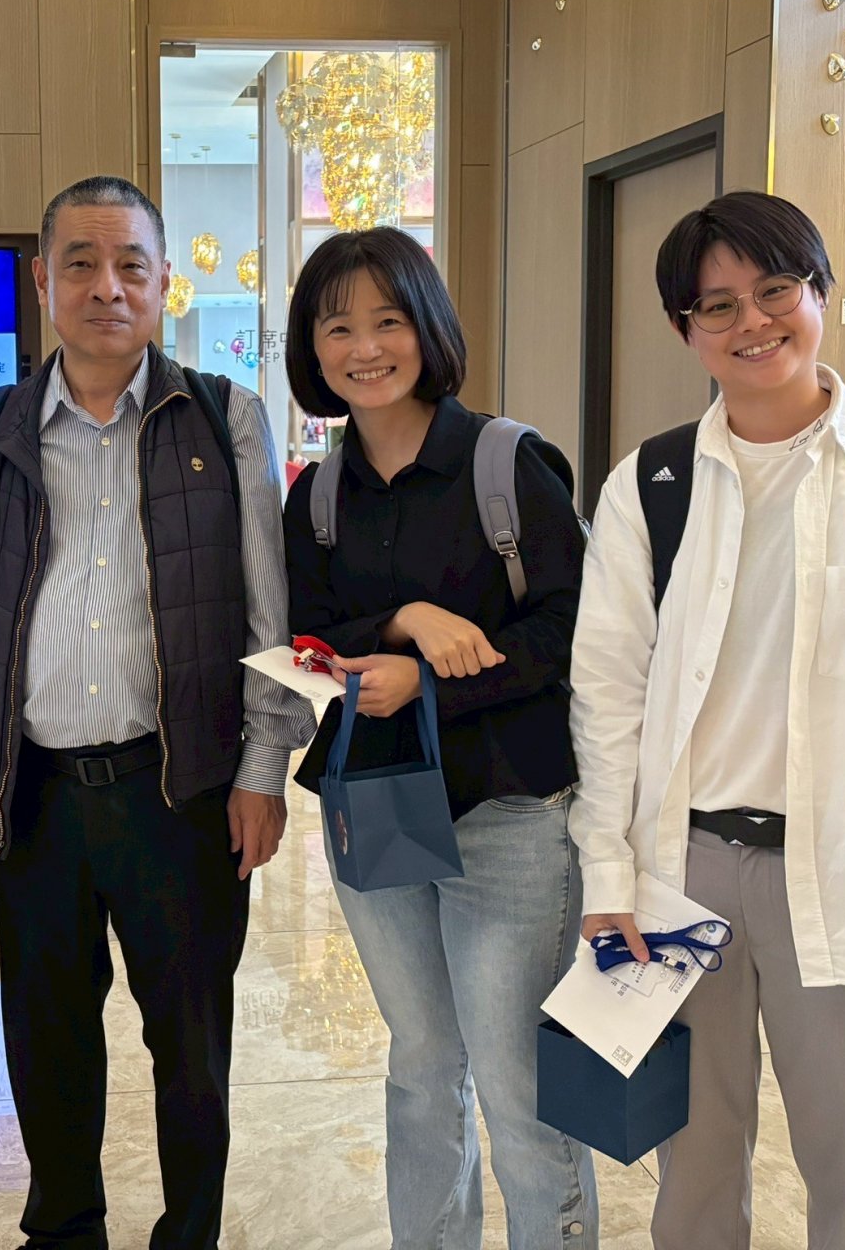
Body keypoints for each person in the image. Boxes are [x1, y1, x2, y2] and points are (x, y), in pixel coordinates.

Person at [568, 191, 845, 1250]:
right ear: (683, 328)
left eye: (775, 290)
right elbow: (605, 698)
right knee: (688, 1174)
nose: (751, 323)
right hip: (678, 873)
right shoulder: (651, 484)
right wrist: (606, 876)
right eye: (716, 305)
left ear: (818, 293)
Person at [0, 175, 315, 1250]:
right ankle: (62, 1230)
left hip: (182, 792)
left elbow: (267, 611)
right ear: (42, 281)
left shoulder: (222, 418)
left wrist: (262, 769)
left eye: (130, 264)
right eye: (79, 263)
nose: (105, 287)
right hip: (32, 794)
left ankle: (191, 1234)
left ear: (164, 282)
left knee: (192, 1050)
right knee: (48, 1045)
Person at [280, 228, 599, 1250]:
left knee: (517, 1079)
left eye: (388, 321)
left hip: (508, 811)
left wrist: (430, 683)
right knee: (420, 1063)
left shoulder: (506, 463)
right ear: (311, 347)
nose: (365, 348)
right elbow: (307, 633)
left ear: (428, 328)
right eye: (337, 327)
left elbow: (571, 628)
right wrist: (402, 624)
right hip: (376, 802)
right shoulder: (316, 493)